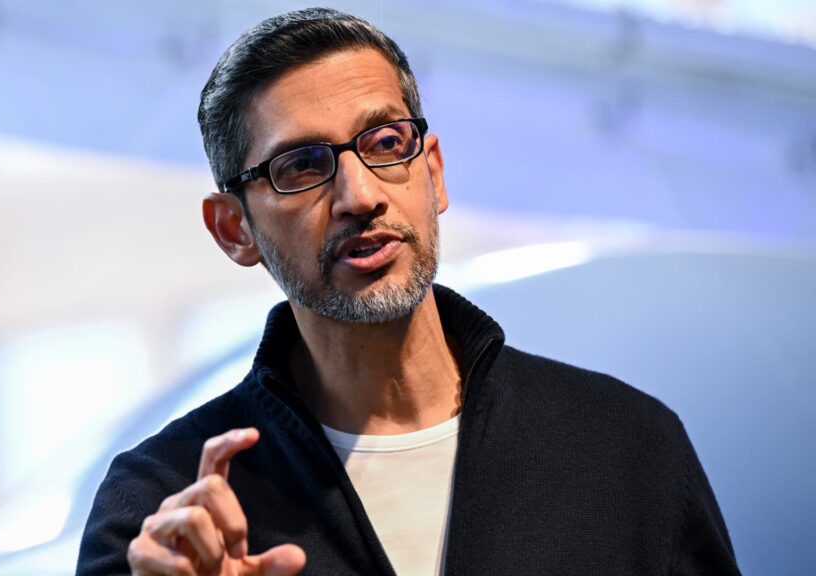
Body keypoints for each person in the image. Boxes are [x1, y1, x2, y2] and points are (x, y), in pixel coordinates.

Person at [77, 8, 739, 575]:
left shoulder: (624, 446)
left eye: (387, 142)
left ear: (434, 173)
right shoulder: (163, 512)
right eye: (301, 166)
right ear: (234, 229)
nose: (360, 194)